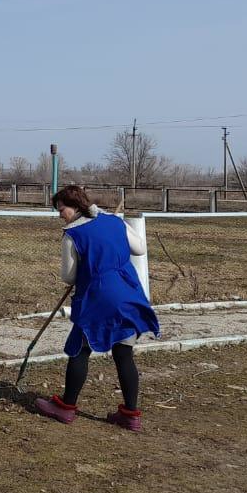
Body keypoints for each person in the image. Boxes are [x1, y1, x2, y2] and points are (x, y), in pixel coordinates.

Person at [35, 184, 160, 432]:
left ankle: (66, 407)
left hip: (98, 297)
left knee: (80, 350)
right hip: (128, 292)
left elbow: (68, 277)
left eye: (61, 209)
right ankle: (130, 415)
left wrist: (86, 267)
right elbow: (140, 249)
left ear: (75, 207)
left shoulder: (72, 234)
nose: (59, 214)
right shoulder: (114, 221)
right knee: (124, 353)